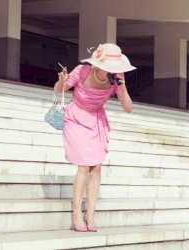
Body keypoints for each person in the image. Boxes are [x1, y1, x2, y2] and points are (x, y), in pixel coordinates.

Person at [53, 43, 135, 232]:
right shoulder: (82, 71)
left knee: (96, 166)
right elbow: (59, 90)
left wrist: (123, 89)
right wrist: (62, 80)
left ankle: (90, 214)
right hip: (76, 117)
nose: (112, 71)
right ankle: (76, 212)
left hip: (96, 120)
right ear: (97, 63)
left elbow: (128, 107)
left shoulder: (117, 79)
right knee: (84, 165)